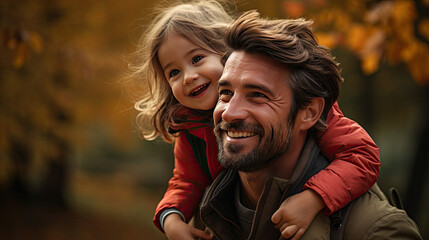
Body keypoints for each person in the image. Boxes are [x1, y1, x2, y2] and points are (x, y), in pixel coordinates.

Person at [131, 1, 380, 239]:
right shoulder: (190, 128)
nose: (187, 77)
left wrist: (313, 197)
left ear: (229, 55)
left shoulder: (303, 104)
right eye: (173, 72)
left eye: (197, 59)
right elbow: (186, 180)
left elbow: (361, 155)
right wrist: (171, 217)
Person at [197, 10, 422, 239]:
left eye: (257, 95)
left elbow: (364, 156)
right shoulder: (204, 213)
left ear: (310, 113)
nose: (229, 113)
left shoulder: (377, 231)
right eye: (225, 93)